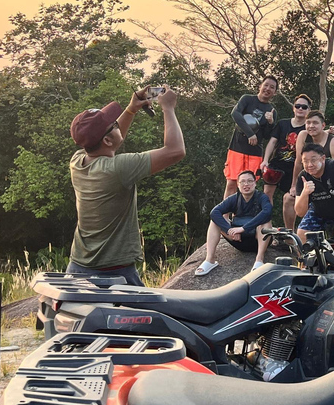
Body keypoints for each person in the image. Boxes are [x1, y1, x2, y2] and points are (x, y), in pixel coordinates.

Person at [67, 85, 186, 286]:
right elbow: (175, 151)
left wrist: (131, 109)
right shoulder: (117, 169)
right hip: (113, 274)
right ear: (105, 139)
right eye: (112, 124)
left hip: (78, 267)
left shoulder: (78, 161)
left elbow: (110, 143)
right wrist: (168, 108)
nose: (116, 124)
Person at [195, 170, 273, 275]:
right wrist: (229, 230)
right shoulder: (234, 198)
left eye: (250, 181)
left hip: (256, 239)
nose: (246, 184)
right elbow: (214, 212)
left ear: (255, 183)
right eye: (243, 182)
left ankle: (259, 260)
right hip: (238, 239)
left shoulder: (262, 197)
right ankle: (210, 260)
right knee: (214, 222)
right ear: (238, 184)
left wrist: (243, 228)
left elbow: (267, 212)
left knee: (266, 222)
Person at [259, 94, 311, 229]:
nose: (300, 109)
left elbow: (321, 136)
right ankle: (267, 227)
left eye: (304, 107)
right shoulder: (283, 123)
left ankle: (289, 232)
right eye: (297, 106)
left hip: (295, 168)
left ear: (308, 110)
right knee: (266, 195)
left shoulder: (308, 129)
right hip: (276, 164)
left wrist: (330, 131)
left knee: (290, 198)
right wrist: (265, 160)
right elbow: (272, 142)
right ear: (293, 108)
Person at [224, 76, 278, 198]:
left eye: (272, 87)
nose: (268, 88)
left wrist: (270, 123)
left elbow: (266, 136)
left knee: (249, 185)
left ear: (274, 92)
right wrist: (250, 133)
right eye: (266, 85)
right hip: (237, 148)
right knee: (232, 183)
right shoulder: (247, 99)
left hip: (254, 152)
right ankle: (225, 216)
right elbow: (235, 113)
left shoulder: (272, 110)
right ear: (260, 86)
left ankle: (243, 215)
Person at [291, 110, 334, 184]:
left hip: (328, 180)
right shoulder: (303, 135)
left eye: (315, 123)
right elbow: (299, 161)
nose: (311, 126)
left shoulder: (333, 142)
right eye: (308, 123)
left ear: (323, 125)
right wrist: (294, 185)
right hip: (308, 178)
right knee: (288, 196)